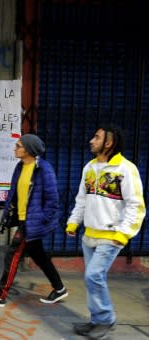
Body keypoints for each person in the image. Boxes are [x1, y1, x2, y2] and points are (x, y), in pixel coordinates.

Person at [66, 124, 145, 339]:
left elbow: (136, 205)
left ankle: (106, 318)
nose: (92, 140)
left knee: (94, 276)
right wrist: (73, 222)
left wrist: (123, 234)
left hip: (111, 236)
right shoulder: (90, 168)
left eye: (97, 137)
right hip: (89, 235)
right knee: (92, 278)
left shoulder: (126, 169)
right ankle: (96, 321)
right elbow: (81, 199)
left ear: (108, 143)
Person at [0, 134, 68, 307]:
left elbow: (52, 200)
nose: (15, 148)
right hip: (23, 219)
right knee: (38, 255)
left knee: (13, 255)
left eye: (19, 146)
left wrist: (41, 220)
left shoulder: (43, 169)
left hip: (32, 223)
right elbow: (15, 194)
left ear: (29, 149)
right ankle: (60, 288)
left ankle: (0, 296)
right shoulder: (20, 166)